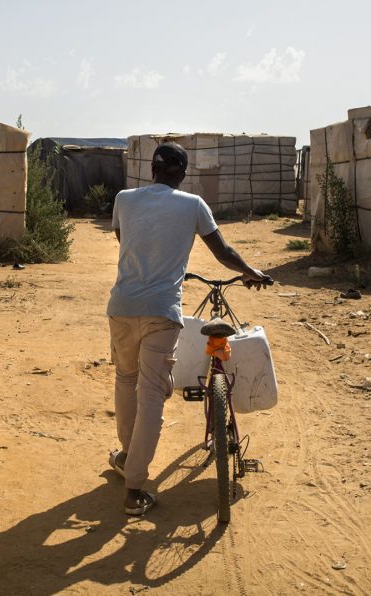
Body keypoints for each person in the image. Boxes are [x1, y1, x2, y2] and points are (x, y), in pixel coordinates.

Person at [106, 142, 269, 516]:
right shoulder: (193, 204)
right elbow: (223, 252)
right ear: (181, 172)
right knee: (150, 394)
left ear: (152, 169)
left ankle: (128, 457)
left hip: (121, 307)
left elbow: (127, 242)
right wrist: (251, 273)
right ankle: (134, 488)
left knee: (125, 380)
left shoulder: (124, 199)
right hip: (161, 311)